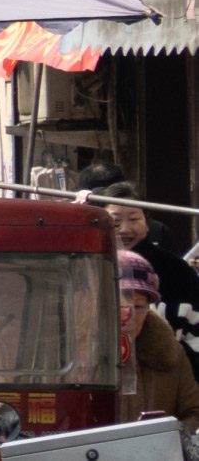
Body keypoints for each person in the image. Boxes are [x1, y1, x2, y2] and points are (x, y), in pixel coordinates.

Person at [99, 184, 199, 376]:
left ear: (147, 221)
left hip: (169, 378)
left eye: (134, 219)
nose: (125, 229)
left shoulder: (177, 270)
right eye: (116, 221)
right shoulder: (90, 265)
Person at [119, 251, 199, 430]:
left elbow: (194, 413)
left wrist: (165, 442)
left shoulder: (170, 352)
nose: (128, 316)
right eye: (118, 305)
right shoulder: (74, 358)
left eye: (138, 306)